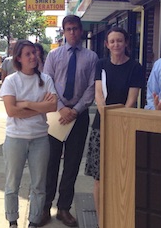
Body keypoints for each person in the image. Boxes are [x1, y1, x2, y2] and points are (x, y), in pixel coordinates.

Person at [40, 15, 98, 227]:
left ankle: (64, 208)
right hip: (56, 115)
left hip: (79, 117)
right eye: (69, 29)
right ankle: (46, 207)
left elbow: (92, 86)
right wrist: (61, 108)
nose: (72, 32)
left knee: (72, 164)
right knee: (51, 163)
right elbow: (48, 83)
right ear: (63, 31)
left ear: (81, 31)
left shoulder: (92, 57)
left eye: (75, 29)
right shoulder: (54, 56)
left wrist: (76, 109)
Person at [84, 27, 144, 216]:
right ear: (107, 44)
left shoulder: (135, 67)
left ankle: (120, 215)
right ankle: (102, 218)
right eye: (112, 41)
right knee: (100, 177)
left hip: (125, 127)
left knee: (123, 175)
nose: (116, 44)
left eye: (119, 40)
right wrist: (107, 118)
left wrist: (119, 122)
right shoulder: (101, 65)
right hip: (101, 127)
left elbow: (131, 100)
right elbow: (99, 95)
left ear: (126, 42)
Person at [0, 40, 58, 228]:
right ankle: (12, 221)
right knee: (12, 183)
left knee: (39, 184)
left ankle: (34, 221)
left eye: (34, 53)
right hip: (16, 137)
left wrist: (26, 104)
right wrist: (40, 107)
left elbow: (53, 106)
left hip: (40, 138)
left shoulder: (46, 80)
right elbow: (11, 111)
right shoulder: (11, 81)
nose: (33, 57)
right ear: (19, 58)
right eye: (28, 54)